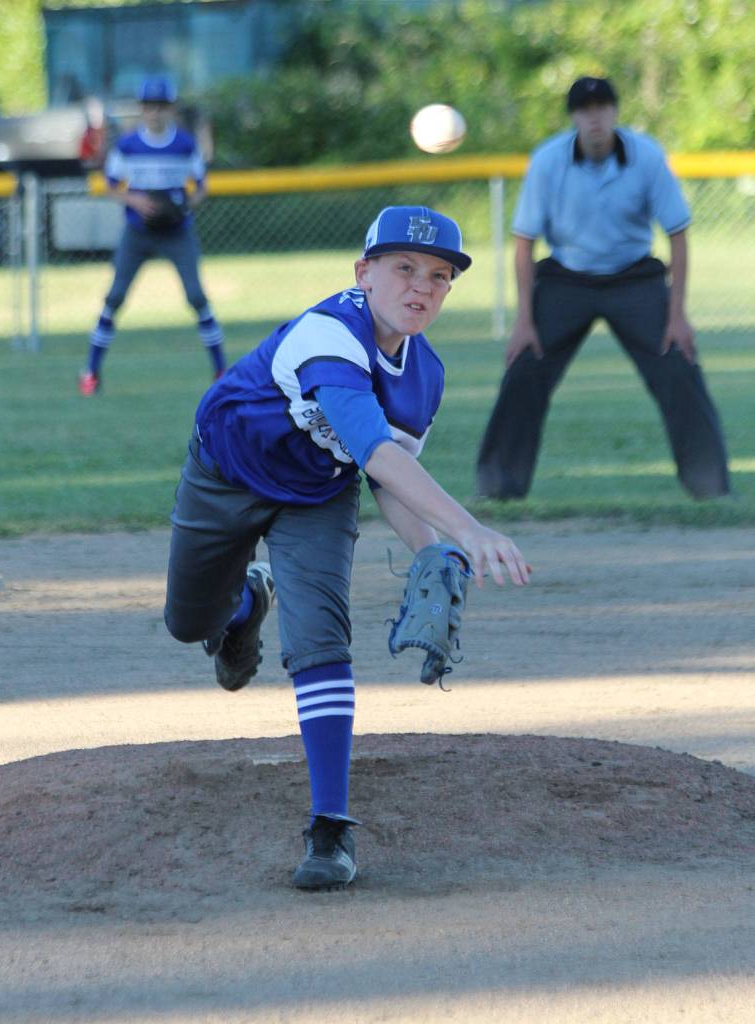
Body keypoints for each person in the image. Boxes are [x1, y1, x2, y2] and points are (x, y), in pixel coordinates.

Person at [163, 206, 531, 890]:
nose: (420, 286)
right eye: (402, 269)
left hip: (315, 494)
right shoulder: (329, 334)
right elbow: (373, 448)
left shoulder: (424, 376)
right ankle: (244, 605)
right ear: (363, 273)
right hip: (223, 474)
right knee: (189, 624)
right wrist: (467, 531)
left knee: (321, 642)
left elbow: (387, 482)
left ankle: (329, 828)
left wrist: (430, 552)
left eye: (438, 275)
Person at [476, 76, 730, 501]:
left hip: (634, 278)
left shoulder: (647, 156)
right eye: (584, 108)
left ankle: (712, 489)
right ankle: (498, 489)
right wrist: (523, 322)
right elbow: (524, 245)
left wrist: (677, 316)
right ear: (574, 116)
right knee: (524, 366)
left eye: (602, 107)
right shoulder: (547, 160)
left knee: (678, 362)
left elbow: (678, 235)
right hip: (566, 278)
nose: (594, 117)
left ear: (615, 112)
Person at [78, 74, 225, 396]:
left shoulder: (184, 143)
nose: (154, 113)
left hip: (176, 231)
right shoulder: (129, 145)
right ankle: (90, 371)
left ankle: (220, 370)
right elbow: (110, 186)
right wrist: (136, 200)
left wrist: (183, 204)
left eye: (161, 106)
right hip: (138, 231)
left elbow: (201, 188)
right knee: (114, 297)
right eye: (149, 106)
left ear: (171, 109)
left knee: (197, 296)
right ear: (141, 110)